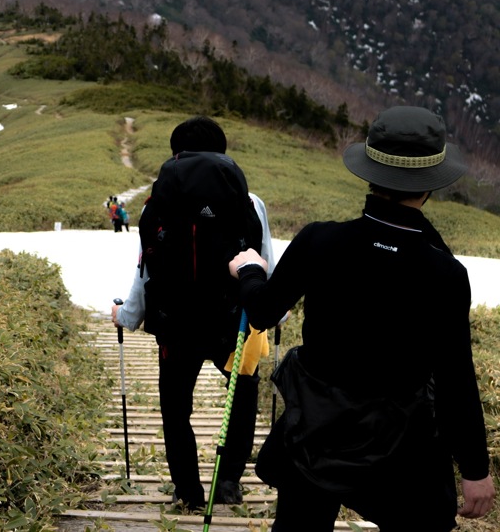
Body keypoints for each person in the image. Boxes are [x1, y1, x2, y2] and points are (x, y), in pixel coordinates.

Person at [228, 105, 495, 531]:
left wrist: (250, 271)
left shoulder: (319, 239)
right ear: (430, 185)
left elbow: (262, 311)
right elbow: (454, 379)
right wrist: (475, 469)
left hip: (315, 431)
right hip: (404, 445)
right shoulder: (444, 272)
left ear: (369, 172)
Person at [111, 115, 277, 509]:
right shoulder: (249, 200)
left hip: (176, 323)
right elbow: (262, 258)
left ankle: (187, 491)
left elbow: (146, 266)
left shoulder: (162, 198)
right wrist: (274, 311)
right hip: (233, 320)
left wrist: (128, 315)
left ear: (175, 153)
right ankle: (230, 482)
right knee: (242, 395)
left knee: (175, 406)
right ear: (223, 152)